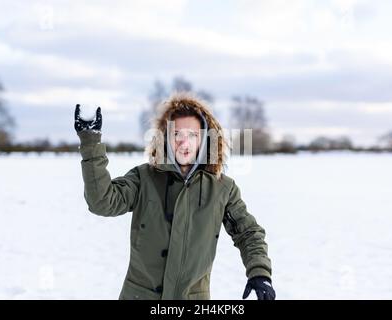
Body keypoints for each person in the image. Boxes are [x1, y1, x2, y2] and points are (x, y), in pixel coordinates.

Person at [74, 92, 275, 300]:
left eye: (192, 135)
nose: (183, 142)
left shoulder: (223, 189)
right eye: (177, 134)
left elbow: (248, 233)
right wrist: (90, 143)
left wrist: (260, 272)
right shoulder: (143, 178)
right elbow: (102, 202)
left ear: (204, 140)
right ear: (165, 137)